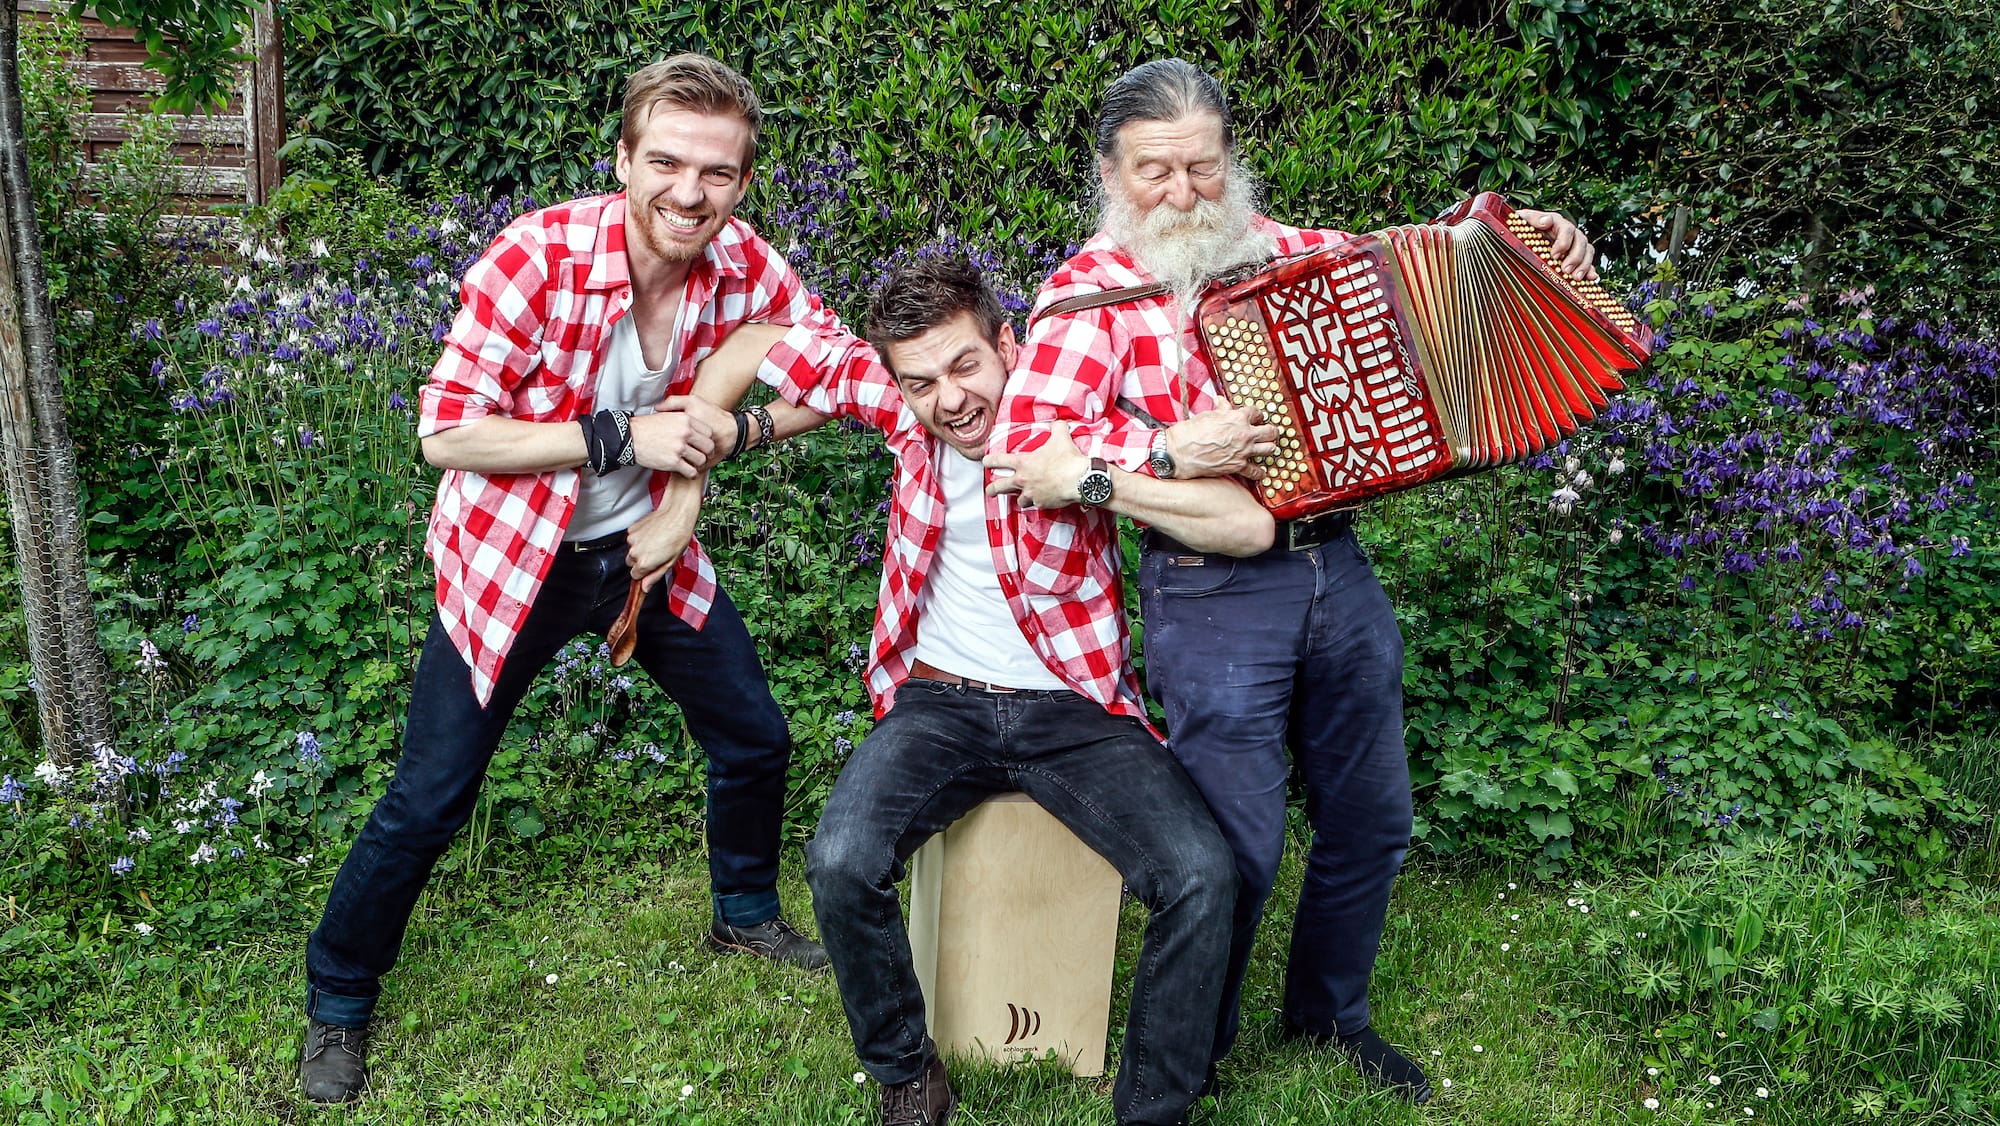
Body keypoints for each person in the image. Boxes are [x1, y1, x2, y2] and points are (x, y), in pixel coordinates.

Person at [997, 58, 1599, 1105]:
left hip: (1336, 567)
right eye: (1154, 172)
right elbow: (1025, 449)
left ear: (1231, 159)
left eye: (1201, 166)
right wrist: (1169, 449)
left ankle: (1329, 1013)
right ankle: (1194, 1051)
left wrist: (1524, 237)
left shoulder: (1281, 253)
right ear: (1108, 172)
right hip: (1209, 591)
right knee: (1236, 848)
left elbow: (1422, 266)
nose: (1182, 193)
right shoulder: (1087, 297)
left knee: (1371, 818)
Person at [299, 54, 858, 1105]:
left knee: (755, 735)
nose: (690, 192)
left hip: (643, 553)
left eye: (718, 172)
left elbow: (836, 375)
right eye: (667, 163)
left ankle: (742, 912)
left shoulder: (746, 264)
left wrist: (719, 445)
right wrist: (620, 436)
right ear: (623, 160)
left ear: (744, 180)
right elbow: (446, 432)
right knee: (431, 797)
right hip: (515, 560)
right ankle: (338, 996)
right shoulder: (536, 256)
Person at [703, 255, 1270, 1125]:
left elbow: (1247, 523)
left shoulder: (1074, 424)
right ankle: (907, 1072)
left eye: (966, 364)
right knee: (841, 860)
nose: (951, 398)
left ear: (1009, 345)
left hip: (1076, 710)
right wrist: (700, 458)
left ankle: (1155, 1106)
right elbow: (762, 341)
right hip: (941, 705)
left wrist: (1111, 470)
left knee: (1199, 874)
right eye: (922, 381)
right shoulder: (901, 407)